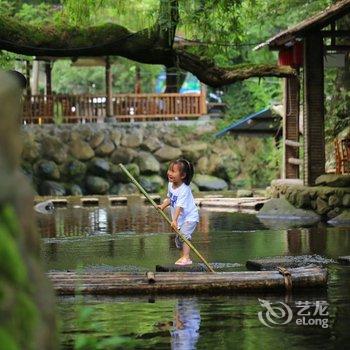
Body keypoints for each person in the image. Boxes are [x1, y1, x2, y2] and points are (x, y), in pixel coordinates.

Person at [157, 158, 199, 265]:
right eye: (169, 170)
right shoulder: (170, 185)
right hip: (180, 219)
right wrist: (162, 206)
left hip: (190, 217)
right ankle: (183, 258)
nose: (169, 173)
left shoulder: (184, 189)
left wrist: (174, 220)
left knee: (184, 236)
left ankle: (186, 258)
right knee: (179, 240)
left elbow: (179, 206)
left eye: (173, 171)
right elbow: (171, 199)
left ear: (183, 175)